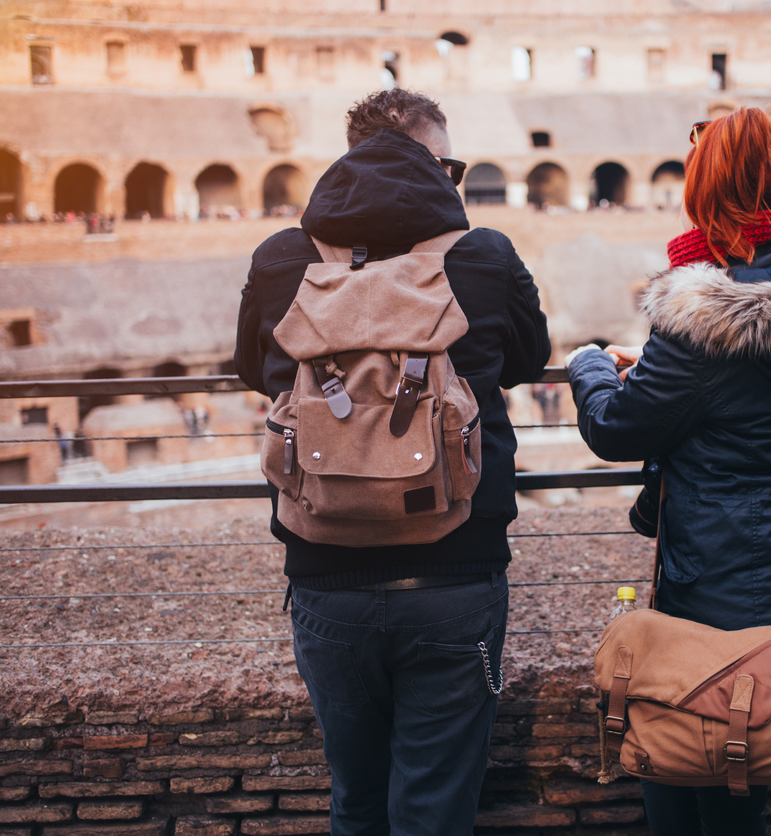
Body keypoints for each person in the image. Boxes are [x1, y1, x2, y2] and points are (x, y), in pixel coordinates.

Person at [564, 107, 771, 836]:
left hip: (709, 571)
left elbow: (616, 430)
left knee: (702, 744)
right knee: (757, 738)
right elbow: (749, 390)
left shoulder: (698, 318)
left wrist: (590, 365)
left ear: (701, 194)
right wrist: (657, 368)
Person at [234, 88, 550, 836]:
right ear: (439, 167)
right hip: (455, 572)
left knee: (356, 800)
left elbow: (254, 368)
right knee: (435, 807)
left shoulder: (281, 258)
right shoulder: (484, 254)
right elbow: (530, 360)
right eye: (454, 167)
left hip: (325, 572)